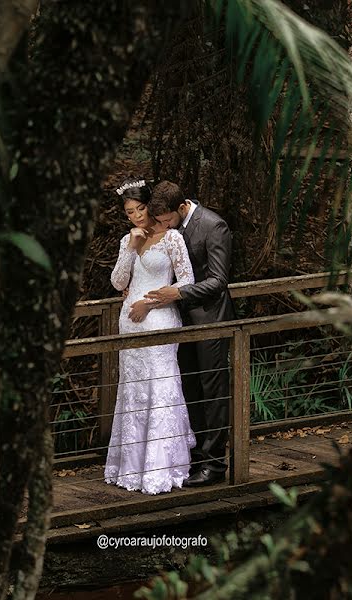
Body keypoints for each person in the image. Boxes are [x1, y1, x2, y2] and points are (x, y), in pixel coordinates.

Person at [104, 178, 197, 495]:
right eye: (129, 212)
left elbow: (185, 282)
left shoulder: (172, 238)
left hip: (158, 321)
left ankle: (160, 468)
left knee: (160, 388)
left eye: (140, 209)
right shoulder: (126, 240)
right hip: (129, 327)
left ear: (151, 206)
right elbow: (118, 283)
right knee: (133, 392)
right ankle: (130, 467)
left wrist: (149, 302)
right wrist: (130, 247)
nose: (136, 216)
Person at [145, 181, 235, 487]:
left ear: (181, 207)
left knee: (212, 390)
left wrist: (179, 292)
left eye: (167, 219)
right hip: (178, 320)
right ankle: (194, 458)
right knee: (190, 389)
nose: (163, 225)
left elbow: (218, 281)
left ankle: (215, 464)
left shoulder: (213, 225)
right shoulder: (171, 227)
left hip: (211, 319)